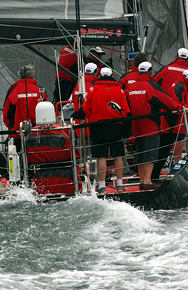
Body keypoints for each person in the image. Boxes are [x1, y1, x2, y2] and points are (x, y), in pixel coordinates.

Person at [72, 67, 130, 195]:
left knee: (101, 158)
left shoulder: (93, 90)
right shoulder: (119, 90)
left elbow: (85, 110)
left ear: (100, 75)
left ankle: (102, 186)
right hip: (116, 127)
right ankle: (120, 185)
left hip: (98, 127)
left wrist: (75, 115)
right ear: (112, 75)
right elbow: (126, 111)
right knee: (118, 156)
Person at [125, 62, 182, 190]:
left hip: (136, 128)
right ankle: (148, 181)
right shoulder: (151, 86)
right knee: (150, 154)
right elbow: (167, 101)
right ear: (150, 72)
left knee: (140, 154)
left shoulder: (131, 88)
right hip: (151, 126)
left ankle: (141, 180)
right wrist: (179, 107)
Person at [3, 65, 49, 151]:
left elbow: (7, 113)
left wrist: (11, 126)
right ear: (33, 76)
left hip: (18, 132)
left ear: (20, 76)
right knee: (38, 154)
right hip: (38, 132)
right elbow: (47, 109)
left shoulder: (13, 90)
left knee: (19, 156)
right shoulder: (40, 90)